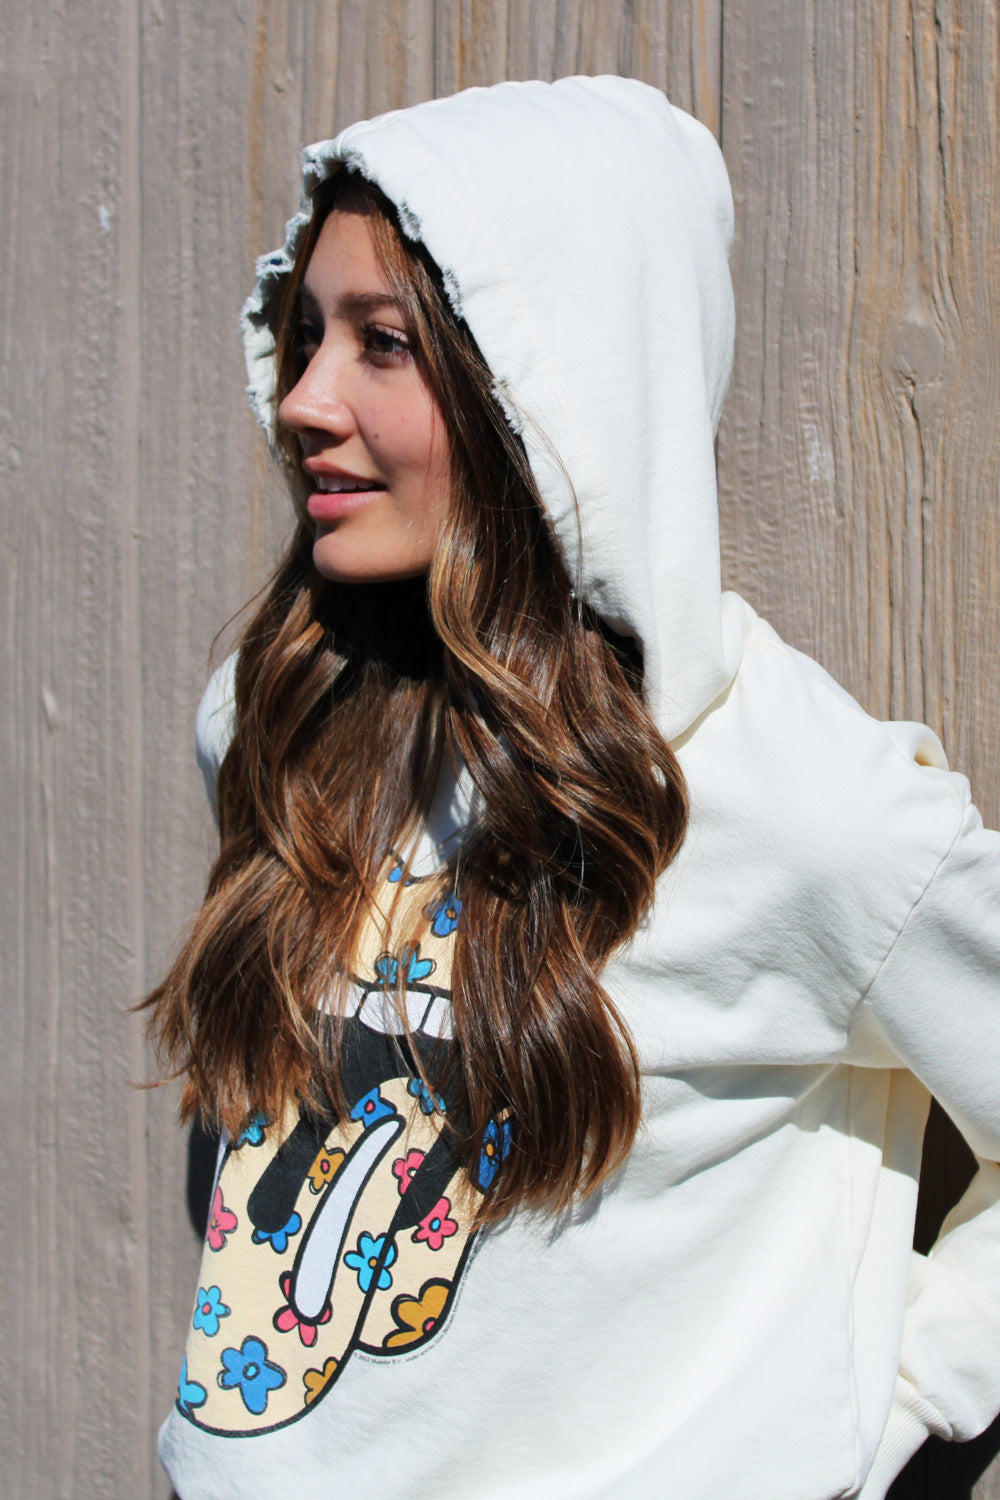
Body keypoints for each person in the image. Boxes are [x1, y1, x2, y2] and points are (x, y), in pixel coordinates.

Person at [152, 76, 1000, 1499]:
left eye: (382, 344)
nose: (303, 401)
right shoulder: (278, 723)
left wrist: (881, 1408)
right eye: (305, 336)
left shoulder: (798, 810)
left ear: (550, 385)